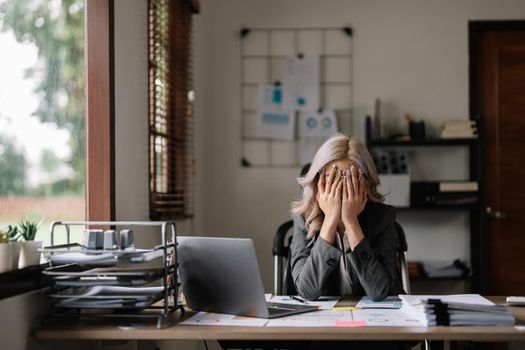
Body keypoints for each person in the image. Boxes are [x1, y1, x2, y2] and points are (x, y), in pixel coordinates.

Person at [290, 133, 403, 301]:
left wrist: (351, 222)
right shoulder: (304, 219)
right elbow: (307, 291)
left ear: (367, 183)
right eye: (333, 179)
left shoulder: (383, 217)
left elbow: (379, 291)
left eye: (351, 179)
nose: (341, 188)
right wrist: (330, 220)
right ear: (318, 181)